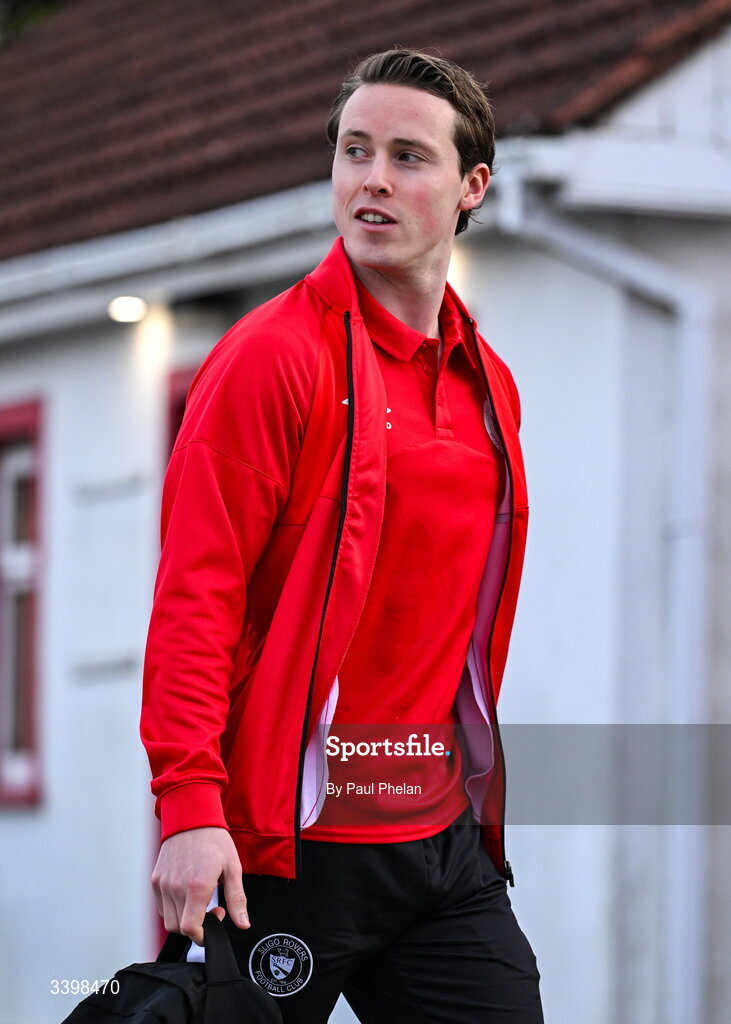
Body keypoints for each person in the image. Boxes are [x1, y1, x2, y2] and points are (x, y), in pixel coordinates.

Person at [140, 47, 543, 1023]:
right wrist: (190, 808)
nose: (370, 178)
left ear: (469, 187)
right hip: (291, 851)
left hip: (439, 843)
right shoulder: (270, 362)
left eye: (407, 156)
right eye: (353, 151)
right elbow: (198, 597)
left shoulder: (486, 381)